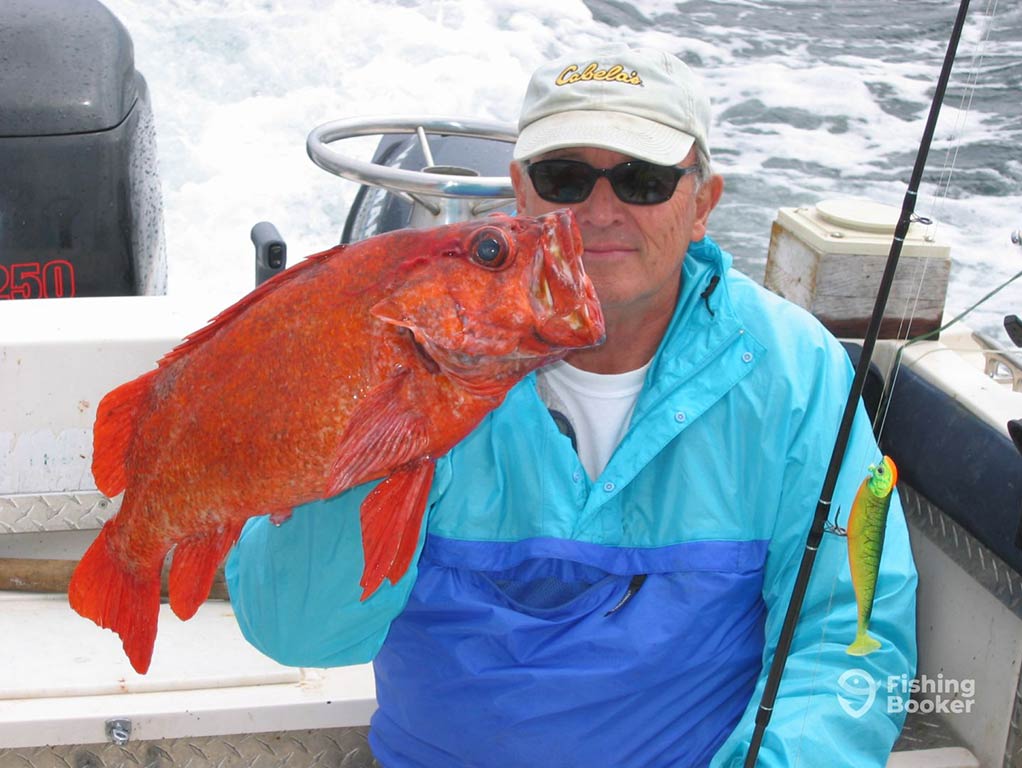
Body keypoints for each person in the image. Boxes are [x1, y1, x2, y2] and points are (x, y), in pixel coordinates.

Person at [226, 43, 917, 767]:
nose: (600, 210)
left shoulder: (795, 371)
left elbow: (851, 636)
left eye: (643, 180)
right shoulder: (410, 349)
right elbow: (296, 632)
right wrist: (350, 430)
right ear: (522, 195)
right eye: (566, 178)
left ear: (703, 204)